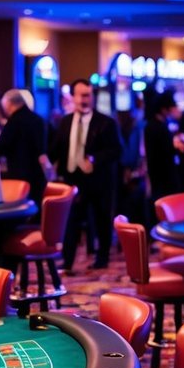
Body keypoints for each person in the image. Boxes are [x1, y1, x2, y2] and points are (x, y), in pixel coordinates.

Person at [50, 78, 122, 271]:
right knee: (71, 221)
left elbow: (116, 150)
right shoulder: (65, 122)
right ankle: (68, 260)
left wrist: (94, 159)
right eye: (80, 95)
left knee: (101, 220)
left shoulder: (106, 122)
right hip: (72, 180)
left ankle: (102, 257)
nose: (84, 100)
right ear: (72, 97)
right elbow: (56, 150)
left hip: (98, 180)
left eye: (87, 95)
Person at [0, 88, 50, 208]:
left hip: (19, 177)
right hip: (38, 177)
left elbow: (0, 148)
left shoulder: (13, 122)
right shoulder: (39, 120)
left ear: (9, 104)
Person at [145, 91, 183, 206]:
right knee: (166, 207)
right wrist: (178, 146)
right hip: (164, 177)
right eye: (171, 108)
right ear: (163, 109)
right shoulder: (158, 127)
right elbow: (166, 152)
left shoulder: (152, 125)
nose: (173, 111)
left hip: (157, 175)